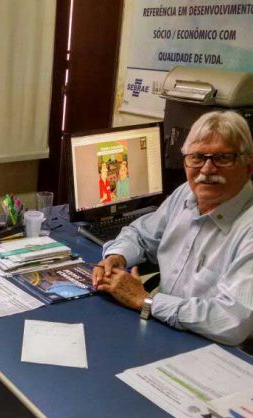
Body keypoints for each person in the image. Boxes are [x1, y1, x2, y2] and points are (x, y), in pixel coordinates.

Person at [92, 111, 253, 345]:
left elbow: (231, 321)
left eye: (223, 158)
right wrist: (118, 256)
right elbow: (139, 234)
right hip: (165, 327)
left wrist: (147, 302)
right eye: (197, 157)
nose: (207, 170)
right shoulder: (186, 194)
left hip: (219, 351)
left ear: (248, 165)